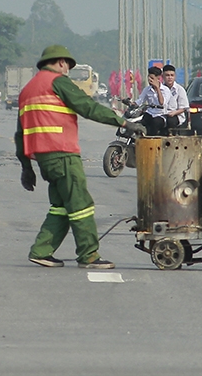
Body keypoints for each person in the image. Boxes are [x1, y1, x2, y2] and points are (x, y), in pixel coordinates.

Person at [16, 45, 145, 269]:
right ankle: (89, 255)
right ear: (61, 62)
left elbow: (20, 134)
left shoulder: (27, 90)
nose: (67, 70)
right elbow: (87, 107)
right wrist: (125, 123)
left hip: (45, 160)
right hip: (63, 154)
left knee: (61, 206)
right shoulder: (58, 82)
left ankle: (41, 251)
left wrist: (26, 167)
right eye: (67, 65)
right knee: (81, 204)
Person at [136, 66, 174, 136]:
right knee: (140, 123)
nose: (149, 80)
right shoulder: (147, 89)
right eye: (149, 78)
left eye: (152, 78)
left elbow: (162, 103)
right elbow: (140, 101)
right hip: (150, 113)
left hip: (161, 115)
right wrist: (131, 103)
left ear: (158, 78)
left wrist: (157, 88)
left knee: (155, 123)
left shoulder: (165, 90)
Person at [162, 64, 189, 128]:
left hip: (176, 115)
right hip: (162, 114)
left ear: (175, 76)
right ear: (163, 76)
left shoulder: (180, 89)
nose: (170, 77)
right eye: (167, 75)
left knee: (171, 121)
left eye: (172, 75)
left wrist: (174, 113)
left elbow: (184, 108)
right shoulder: (160, 89)